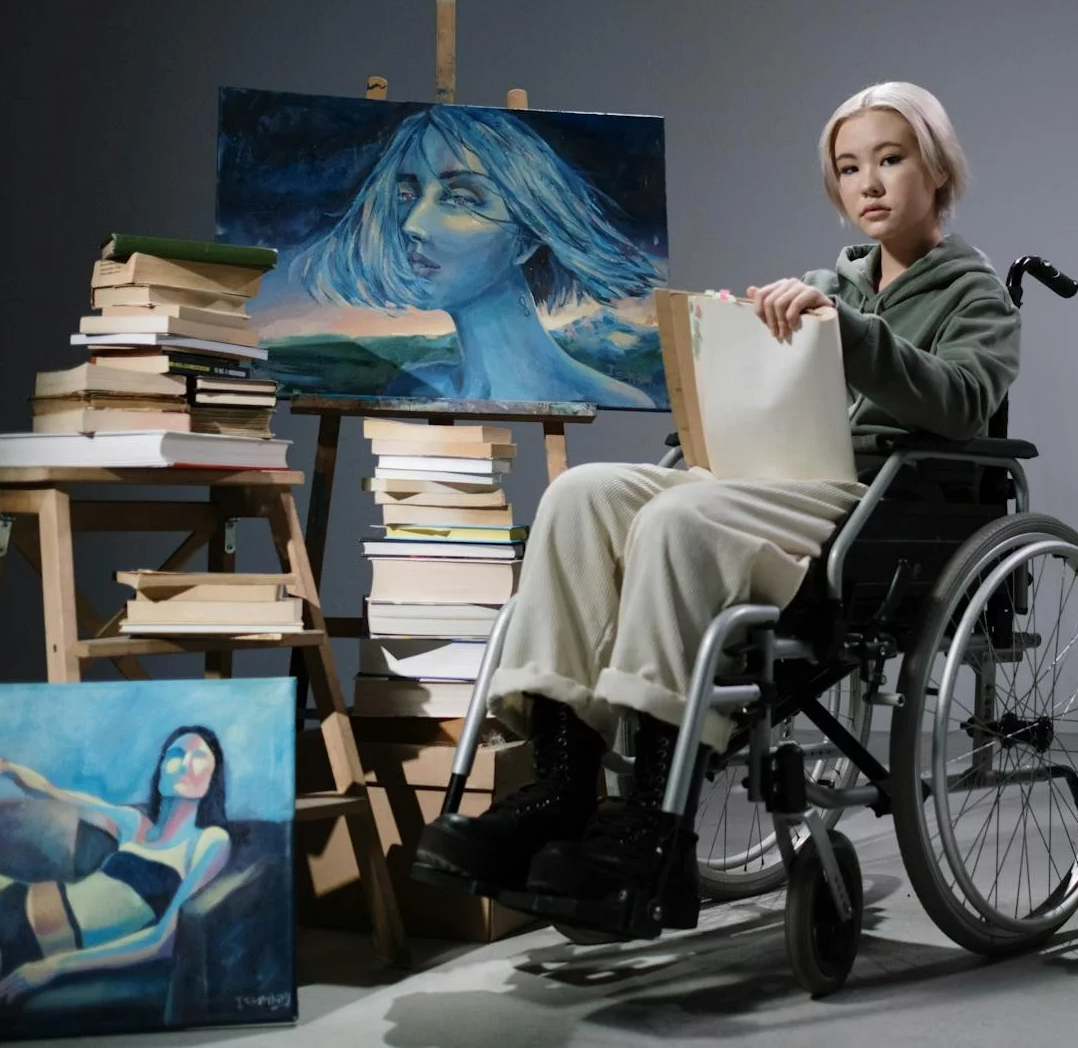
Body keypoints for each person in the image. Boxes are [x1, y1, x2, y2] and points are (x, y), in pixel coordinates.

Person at [415, 82, 1021, 913]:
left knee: (676, 518)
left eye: (891, 158)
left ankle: (650, 829)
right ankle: (561, 786)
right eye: (849, 167)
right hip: (762, 472)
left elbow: (962, 401)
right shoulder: (819, 281)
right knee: (580, 495)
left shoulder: (975, 294)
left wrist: (851, 337)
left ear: (937, 168)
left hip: (868, 497)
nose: (869, 182)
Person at [296, 105, 664, 405]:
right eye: (407, 196)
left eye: (460, 198)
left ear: (527, 239)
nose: (412, 224)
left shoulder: (610, 399)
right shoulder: (413, 388)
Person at [0, 728, 232, 1004]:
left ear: (212, 777)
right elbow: (52, 792)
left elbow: (163, 941)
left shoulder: (209, 842)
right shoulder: (134, 824)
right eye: (176, 754)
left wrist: (55, 966)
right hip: (12, 897)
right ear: (160, 773)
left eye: (199, 755)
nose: (185, 762)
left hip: (9, 951)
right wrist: (3, 767)